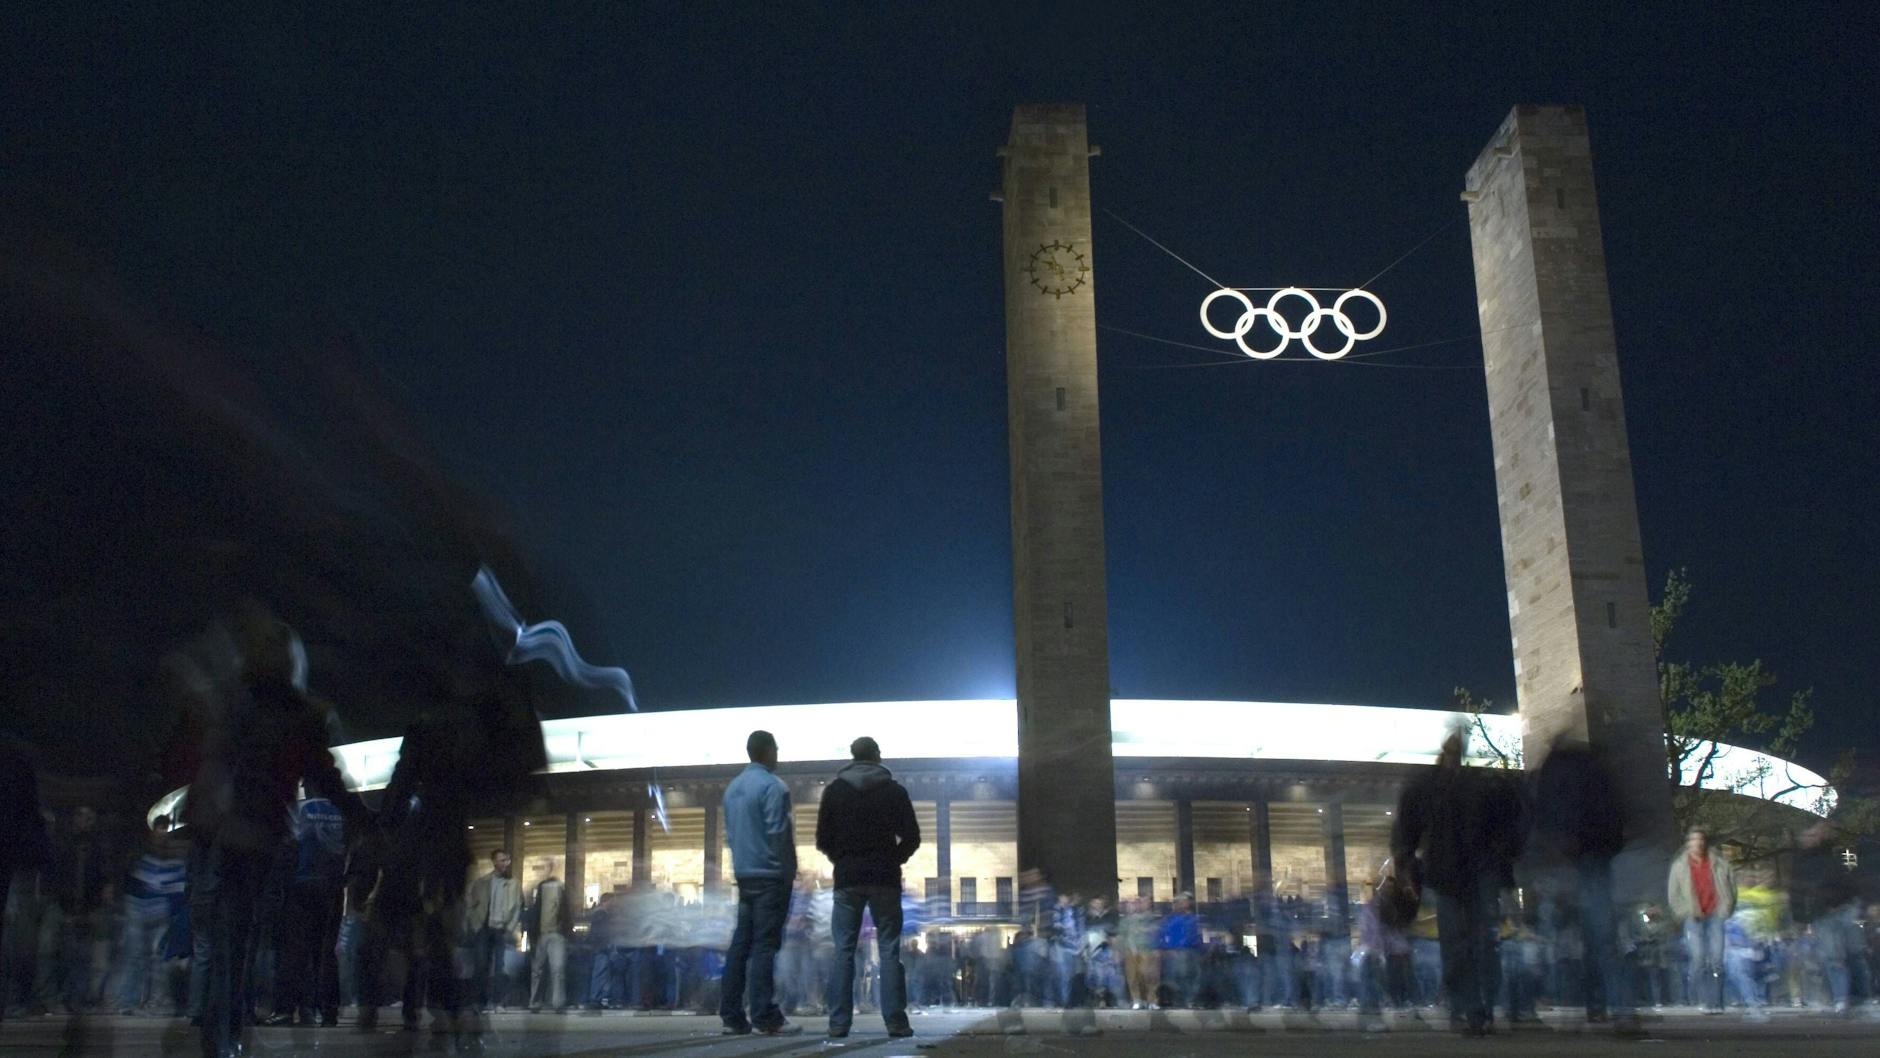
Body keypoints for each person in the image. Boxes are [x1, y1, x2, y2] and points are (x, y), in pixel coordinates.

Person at [186, 611, 367, 1058]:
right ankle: (226, 1031)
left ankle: (223, 1032)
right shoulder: (296, 713)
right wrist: (362, 818)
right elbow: (324, 776)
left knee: (232, 937)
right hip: (260, 836)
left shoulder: (243, 704)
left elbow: (216, 761)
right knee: (239, 936)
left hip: (238, 834)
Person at [1392, 730, 1526, 1036]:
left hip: (1453, 874)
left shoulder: (1437, 785)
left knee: (1464, 944)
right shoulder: (1470, 784)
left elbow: (1409, 825)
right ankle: (1475, 1009)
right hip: (1468, 874)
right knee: (1473, 944)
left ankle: (1471, 1009)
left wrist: (1405, 857)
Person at [814, 736, 919, 1038]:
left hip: (848, 878)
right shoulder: (894, 791)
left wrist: (843, 859)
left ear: (853, 756)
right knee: (889, 950)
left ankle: (839, 1023)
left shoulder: (835, 791)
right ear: (876, 755)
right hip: (885, 877)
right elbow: (912, 836)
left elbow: (823, 838)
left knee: (844, 951)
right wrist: (893, 859)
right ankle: (896, 1022)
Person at [1531, 737, 1636, 1031]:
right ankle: (1616, 1008)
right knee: (1601, 938)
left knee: (1565, 941)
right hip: (1593, 858)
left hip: (1569, 859)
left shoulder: (1555, 771)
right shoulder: (1594, 770)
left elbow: (1544, 815)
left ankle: (1587, 1005)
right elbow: (1614, 814)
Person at [718, 730, 801, 1036]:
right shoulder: (773, 786)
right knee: (765, 945)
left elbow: (730, 834)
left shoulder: (732, 789)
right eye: (775, 749)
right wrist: (790, 869)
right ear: (767, 751)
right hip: (771, 876)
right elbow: (778, 832)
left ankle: (732, 1016)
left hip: (745, 876)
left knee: (740, 945)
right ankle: (765, 1015)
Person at [271, 795, 346, 1026]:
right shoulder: (341, 810)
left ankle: (287, 1010)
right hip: (332, 888)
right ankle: (328, 1011)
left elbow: (287, 846)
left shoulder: (300, 809)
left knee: (295, 951)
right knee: (325, 952)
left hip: (301, 885)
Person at [1789, 820, 1868, 1015]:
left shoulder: (1830, 853)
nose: (1812, 838)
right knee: (1834, 957)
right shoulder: (1800, 863)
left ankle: (1859, 996)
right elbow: (1796, 892)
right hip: (1824, 913)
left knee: (1854, 953)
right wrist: (1802, 917)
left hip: (1843, 907)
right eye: (1809, 835)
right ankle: (1842, 998)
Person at [113, 817, 186, 1015]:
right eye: (159, 830)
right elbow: (129, 879)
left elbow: (177, 891)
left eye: (165, 830)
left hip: (161, 913)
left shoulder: (174, 860)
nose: (162, 835)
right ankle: (127, 1001)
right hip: (136, 908)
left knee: (159, 959)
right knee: (134, 954)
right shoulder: (141, 853)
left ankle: (155, 1002)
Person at [1666, 828, 1735, 1014]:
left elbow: (1731, 886)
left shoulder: (1719, 862)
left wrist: (1727, 908)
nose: (1697, 843)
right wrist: (1684, 912)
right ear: (1688, 843)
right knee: (1698, 959)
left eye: (1700, 839)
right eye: (1693, 840)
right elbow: (1673, 894)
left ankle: (1717, 1002)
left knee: (1717, 960)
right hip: (1693, 916)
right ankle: (1703, 999)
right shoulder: (1679, 866)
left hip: (1715, 914)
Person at [463, 848, 521, 1012]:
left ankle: (498, 1002)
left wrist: (510, 927)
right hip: (483, 927)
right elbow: (471, 904)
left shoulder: (513, 883)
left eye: (507, 860)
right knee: (481, 965)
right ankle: (479, 1002)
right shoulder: (482, 882)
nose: (505, 863)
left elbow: (517, 906)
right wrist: (475, 924)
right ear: (494, 862)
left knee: (499, 967)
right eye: (502, 860)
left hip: (501, 928)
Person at [525, 865, 572, 1013]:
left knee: (540, 971)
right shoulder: (559, 890)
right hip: (552, 934)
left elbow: (535, 914)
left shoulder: (543, 891)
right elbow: (566, 914)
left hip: (547, 934)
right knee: (555, 970)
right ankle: (556, 1003)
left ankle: (538, 1002)